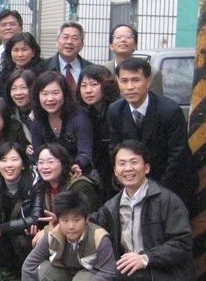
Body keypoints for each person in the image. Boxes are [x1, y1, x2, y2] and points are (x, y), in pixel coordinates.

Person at [94, 140, 193, 281]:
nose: (127, 168)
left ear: (146, 167)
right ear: (115, 171)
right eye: (122, 163)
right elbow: (91, 224)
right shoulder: (112, 206)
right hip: (130, 277)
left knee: (128, 269)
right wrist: (63, 221)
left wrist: (146, 258)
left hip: (164, 273)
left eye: (134, 162)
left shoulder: (167, 200)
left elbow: (182, 244)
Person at [22, 190, 117, 281]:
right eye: (65, 220)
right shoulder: (52, 234)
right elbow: (29, 265)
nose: (71, 226)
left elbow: (109, 272)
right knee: (43, 270)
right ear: (58, 220)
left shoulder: (99, 237)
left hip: (90, 276)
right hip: (66, 272)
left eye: (77, 220)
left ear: (86, 219)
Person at [107, 58, 194, 205]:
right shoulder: (115, 110)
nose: (130, 87)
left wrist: (155, 191)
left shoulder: (169, 110)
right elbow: (115, 149)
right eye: (124, 81)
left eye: (135, 80)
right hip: (132, 184)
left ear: (148, 82)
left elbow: (178, 156)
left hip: (169, 186)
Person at [0, 142, 42, 281]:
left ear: (23, 164)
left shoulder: (35, 182)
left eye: (14, 160)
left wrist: (2, 228)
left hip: (28, 233)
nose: (9, 165)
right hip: (9, 231)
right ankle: (6, 268)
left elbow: (35, 218)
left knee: (20, 240)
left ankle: (29, 270)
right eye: (4, 160)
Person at [30, 71, 94, 176]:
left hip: (78, 174)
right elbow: (38, 153)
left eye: (55, 93)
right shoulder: (38, 122)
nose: (50, 99)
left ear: (65, 94)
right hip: (49, 174)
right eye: (44, 94)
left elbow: (85, 153)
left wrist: (77, 165)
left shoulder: (79, 118)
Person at [77, 65, 120, 199]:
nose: (88, 90)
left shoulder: (117, 108)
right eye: (83, 86)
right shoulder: (83, 112)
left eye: (94, 84)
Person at [36, 144, 102, 217]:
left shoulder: (80, 186)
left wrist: (59, 222)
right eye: (41, 162)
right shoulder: (42, 188)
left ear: (63, 163)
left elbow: (92, 218)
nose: (45, 167)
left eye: (50, 162)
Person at [105, 24, 163, 95]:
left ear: (135, 45)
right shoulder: (103, 70)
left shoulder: (152, 72)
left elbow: (156, 99)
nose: (123, 40)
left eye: (128, 37)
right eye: (118, 37)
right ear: (111, 46)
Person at [45, 22, 94, 94]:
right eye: (65, 37)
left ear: (82, 44)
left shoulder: (91, 69)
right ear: (57, 41)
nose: (69, 42)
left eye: (75, 38)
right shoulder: (42, 67)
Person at [0, 31, 44, 97]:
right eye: (15, 50)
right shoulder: (2, 77)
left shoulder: (42, 75)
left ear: (33, 52)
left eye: (24, 49)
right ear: (10, 53)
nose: (20, 54)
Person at [5, 69, 35, 145]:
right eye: (13, 89)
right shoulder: (11, 115)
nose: (18, 93)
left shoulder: (41, 113)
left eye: (23, 87)